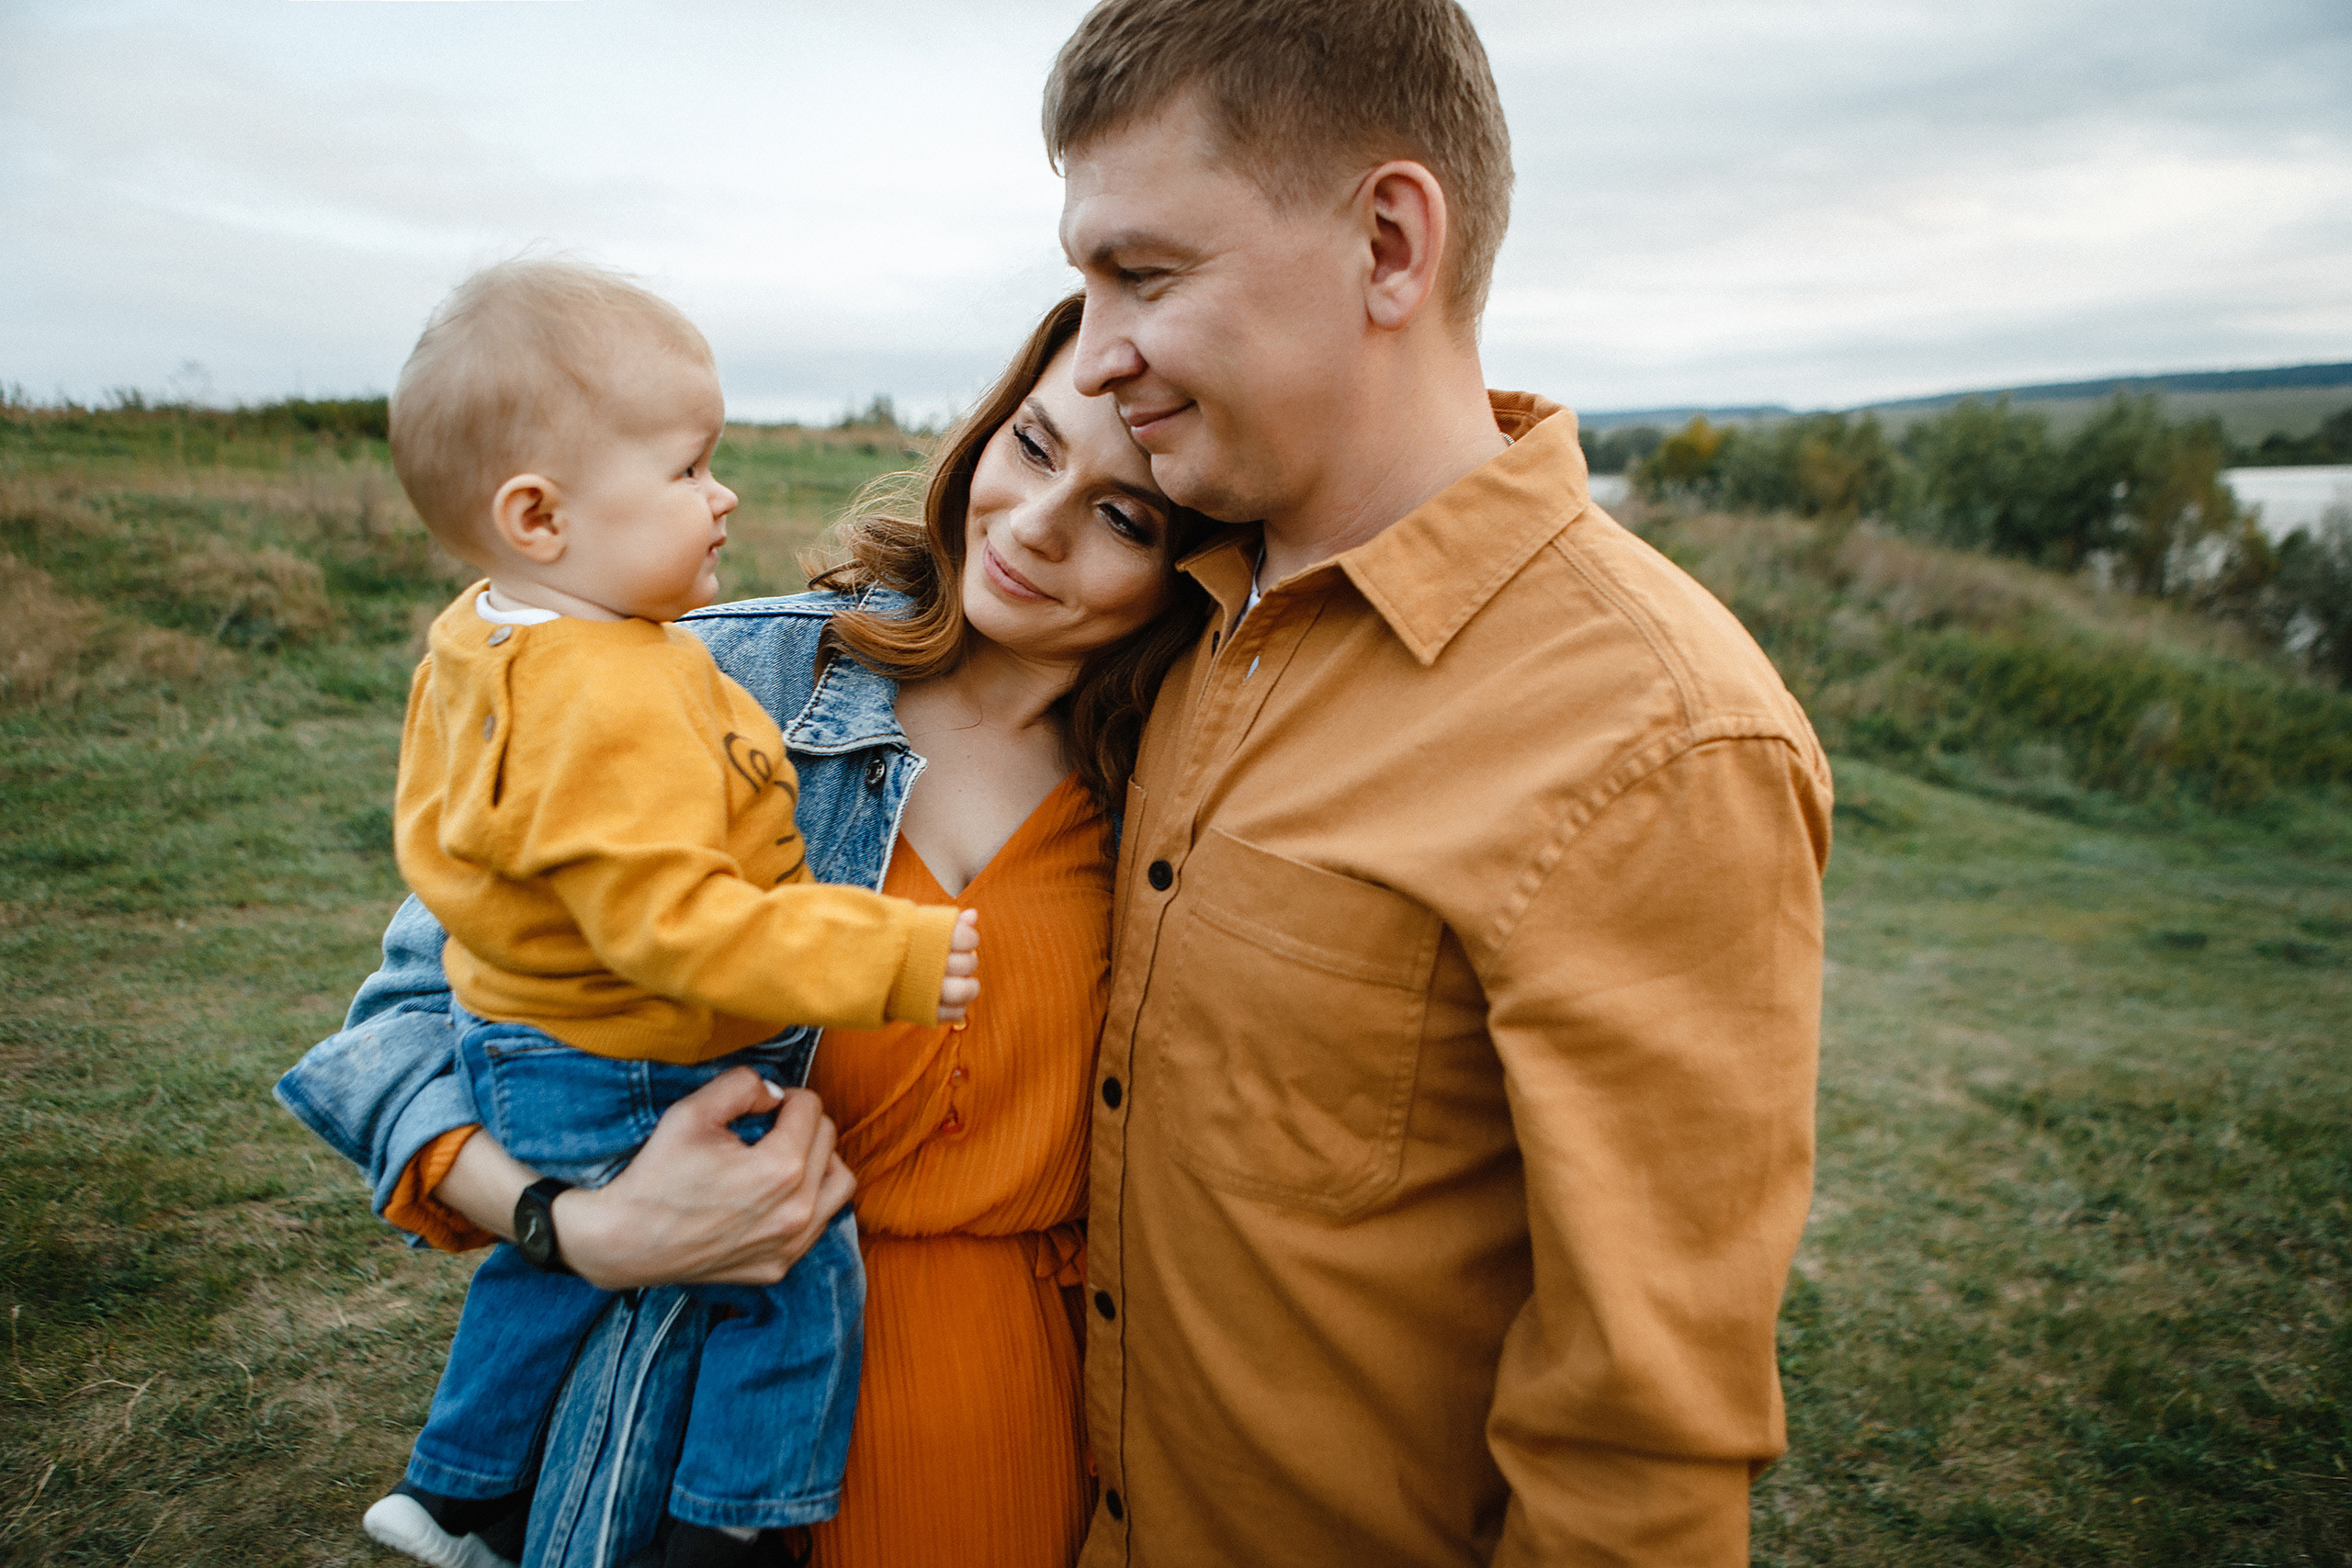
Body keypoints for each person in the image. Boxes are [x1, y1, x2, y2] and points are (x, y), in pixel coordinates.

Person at [1043, 2, 1833, 1563]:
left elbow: (1639, 1462)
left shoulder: (1657, 737)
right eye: (1084, 283)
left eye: (1145, 275)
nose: (1092, 354)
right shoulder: (1178, 615)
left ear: (1392, 244)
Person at [276, 291, 1216, 1568]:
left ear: (1187, 561)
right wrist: (578, 1227)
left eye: (1124, 515)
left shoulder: (1177, 795)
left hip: (1039, 1433)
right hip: (673, 1414)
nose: (1038, 529)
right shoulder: (703, 676)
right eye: (1035, 448)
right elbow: (396, 1034)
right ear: (986, 432)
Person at [359, 258, 982, 1568]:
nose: (725, 495)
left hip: (527, 1044)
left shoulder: (489, 639)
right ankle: (736, 1527)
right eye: (691, 467)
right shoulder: (619, 691)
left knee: (547, 1266)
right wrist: (895, 951)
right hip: (630, 1048)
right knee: (792, 1262)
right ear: (539, 515)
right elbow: (674, 924)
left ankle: (457, 1483)